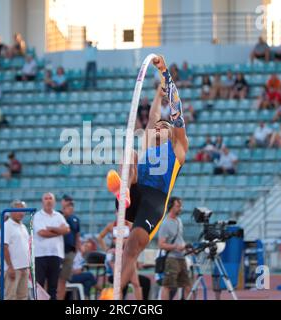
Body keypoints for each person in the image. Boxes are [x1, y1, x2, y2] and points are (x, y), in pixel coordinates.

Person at [103, 55, 189, 298]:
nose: (160, 125)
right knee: (130, 152)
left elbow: (177, 113)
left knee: (131, 250)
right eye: (157, 125)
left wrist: (165, 74)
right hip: (135, 190)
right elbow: (152, 117)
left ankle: (114, 295)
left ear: (173, 132)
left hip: (154, 201)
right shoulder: (150, 146)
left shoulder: (178, 150)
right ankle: (123, 189)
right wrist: (157, 95)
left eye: (166, 125)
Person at [33, 192, 70, 300]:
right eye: (46, 198)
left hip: (55, 254)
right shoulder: (37, 216)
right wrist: (59, 231)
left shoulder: (58, 216)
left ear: (54, 201)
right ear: (42, 201)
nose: (48, 200)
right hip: (40, 255)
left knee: (53, 286)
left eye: (50, 198)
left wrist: (51, 228)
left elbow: (67, 229)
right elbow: (42, 233)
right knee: (40, 285)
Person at [158, 197, 192, 300]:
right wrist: (176, 247)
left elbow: (179, 239)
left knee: (187, 286)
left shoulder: (179, 221)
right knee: (168, 286)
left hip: (181, 258)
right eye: (178, 206)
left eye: (181, 206)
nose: (180, 208)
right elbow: (161, 244)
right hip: (172, 259)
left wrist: (186, 248)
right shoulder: (165, 223)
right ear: (171, 207)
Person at [4, 200, 30, 300]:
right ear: (11, 211)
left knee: (23, 297)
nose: (21, 213)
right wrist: (10, 267)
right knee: (11, 296)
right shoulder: (6, 226)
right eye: (18, 210)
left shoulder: (23, 226)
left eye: (23, 210)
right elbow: (4, 247)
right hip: (14, 267)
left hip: (24, 267)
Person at [57, 195, 81, 300]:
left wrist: (77, 249)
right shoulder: (57, 216)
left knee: (63, 279)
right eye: (68, 205)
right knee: (51, 279)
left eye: (72, 205)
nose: (70, 207)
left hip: (69, 252)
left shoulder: (75, 219)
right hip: (57, 252)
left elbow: (77, 235)